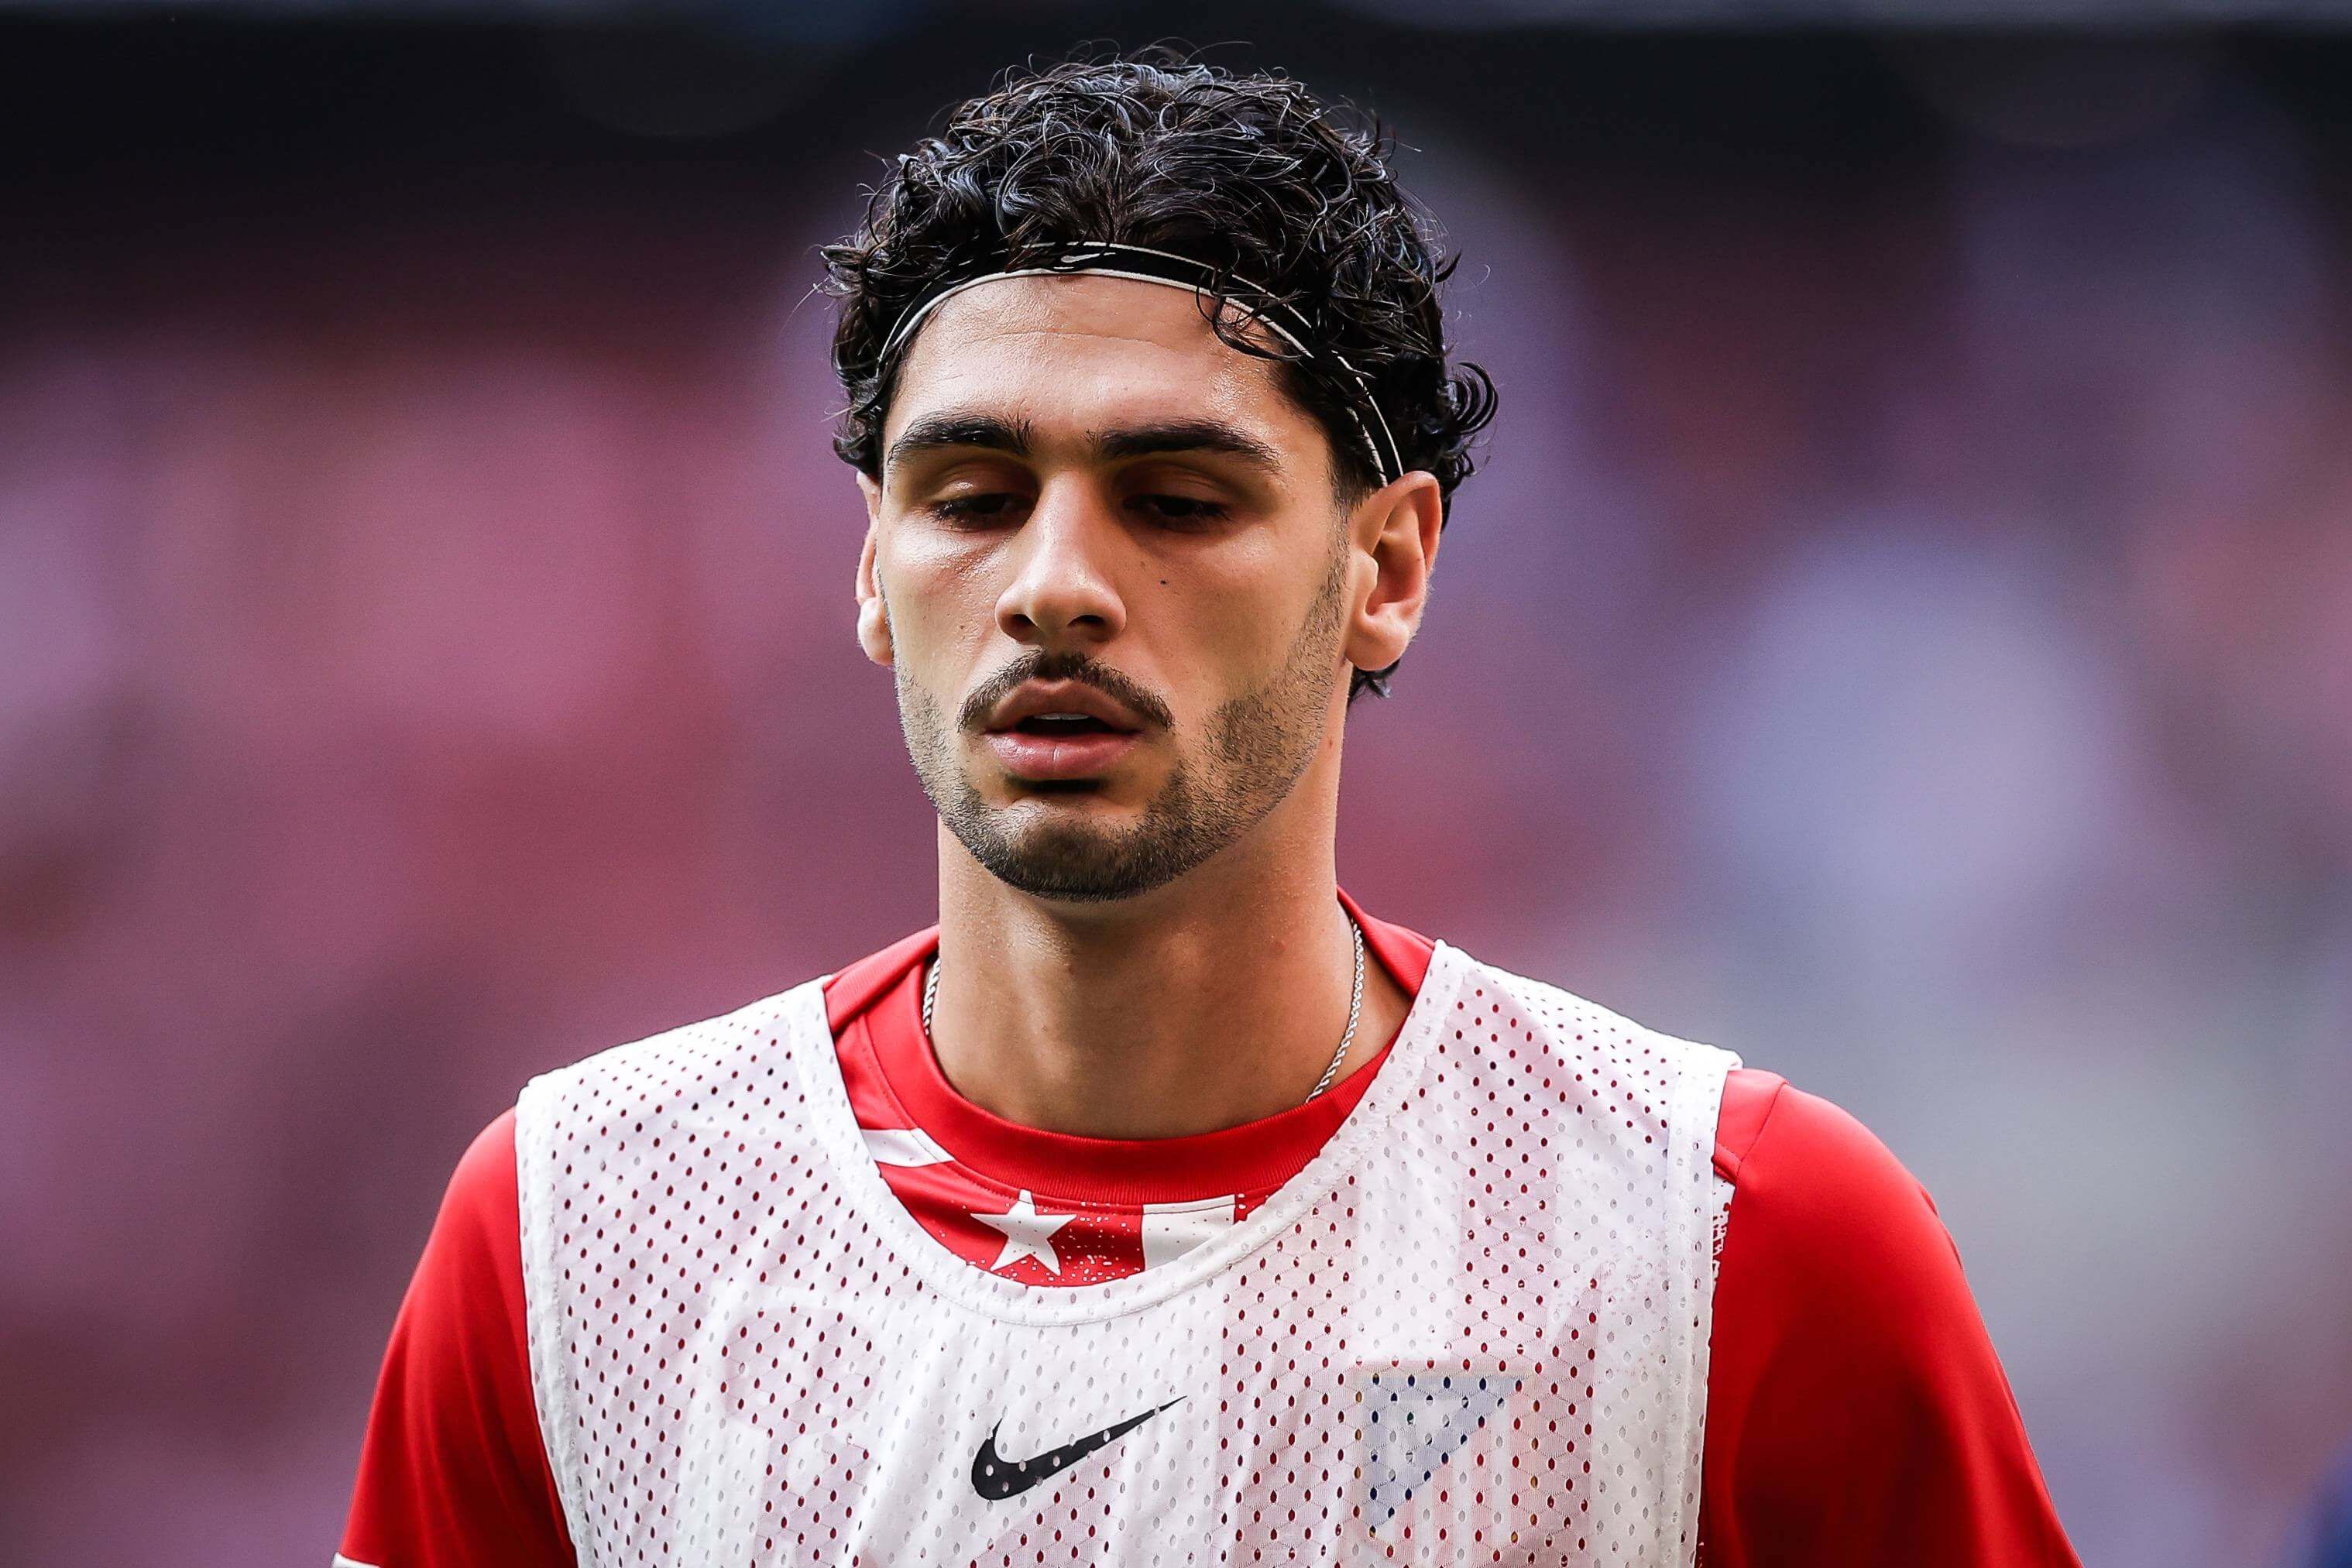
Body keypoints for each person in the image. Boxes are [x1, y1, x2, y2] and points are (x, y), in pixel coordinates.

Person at [334, 49, 2079, 1567]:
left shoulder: (1733, 1239)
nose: (1053, 585)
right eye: (970, 494)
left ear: (1386, 567)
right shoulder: (577, 1230)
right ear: (872, 564)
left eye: (1173, 498)